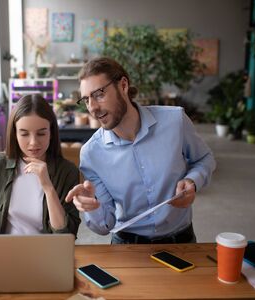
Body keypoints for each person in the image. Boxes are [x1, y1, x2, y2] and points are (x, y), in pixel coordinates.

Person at [65, 57, 216, 244]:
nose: (93, 108)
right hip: (127, 245)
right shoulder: (91, 154)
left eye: (99, 94)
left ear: (123, 85)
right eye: (86, 100)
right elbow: (104, 226)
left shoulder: (175, 120)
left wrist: (193, 181)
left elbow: (205, 158)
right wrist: (92, 207)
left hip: (181, 239)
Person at [0, 94, 81, 236]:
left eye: (41, 134)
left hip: (46, 253)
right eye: (24, 134)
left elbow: (66, 235)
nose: (33, 142)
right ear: (15, 134)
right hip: (3, 250)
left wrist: (48, 187)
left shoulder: (67, 171)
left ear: (51, 132)